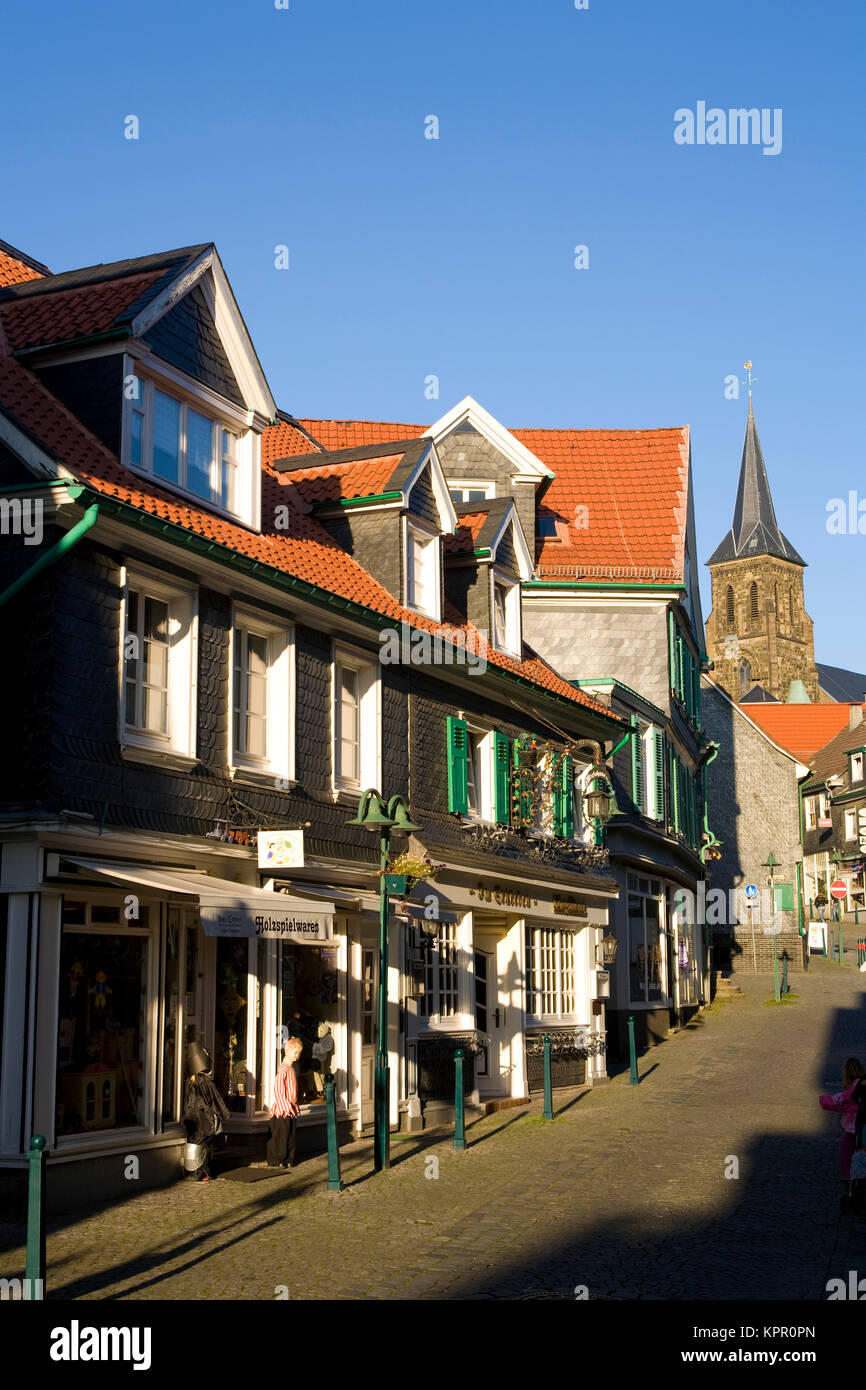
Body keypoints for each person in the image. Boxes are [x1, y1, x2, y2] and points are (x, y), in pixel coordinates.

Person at [183, 1043, 230, 1181]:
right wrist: (224, 1114)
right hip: (204, 1117)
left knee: (194, 1141)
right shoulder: (206, 1082)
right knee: (205, 1144)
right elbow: (216, 1100)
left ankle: (191, 1171)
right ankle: (202, 1172)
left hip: (191, 1116)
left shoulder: (189, 1080)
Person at [819, 1057, 866, 1181]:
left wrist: (822, 1100)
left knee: (847, 1148)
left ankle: (847, 1174)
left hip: (855, 1126)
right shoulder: (862, 1083)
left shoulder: (854, 1088)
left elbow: (842, 1101)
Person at [267, 1036, 303, 1168]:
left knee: (290, 1135)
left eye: (298, 1054)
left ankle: (288, 1158)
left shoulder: (292, 1069)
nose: (297, 1056)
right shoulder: (283, 1069)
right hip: (283, 1109)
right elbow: (278, 1088)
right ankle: (277, 1158)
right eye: (295, 1053)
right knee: (281, 1134)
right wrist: (284, 1104)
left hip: (291, 1107)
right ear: (286, 1051)